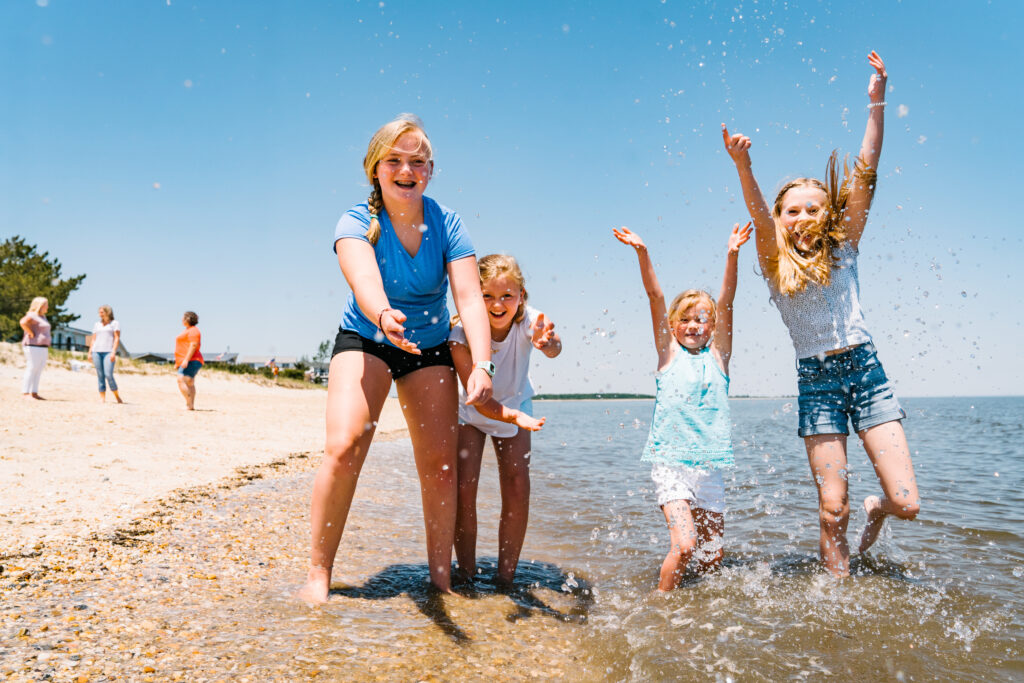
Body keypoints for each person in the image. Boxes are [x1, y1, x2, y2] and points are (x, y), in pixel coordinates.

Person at [722, 51, 920, 577]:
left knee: (907, 502)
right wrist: (743, 165)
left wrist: (876, 101)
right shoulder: (773, 262)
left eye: (814, 207)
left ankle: (881, 510)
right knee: (834, 508)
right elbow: (759, 215)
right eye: (794, 211)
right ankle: (839, 594)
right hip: (817, 382)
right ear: (783, 220)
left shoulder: (845, 246)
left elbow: (865, 170)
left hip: (867, 372)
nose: (805, 216)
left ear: (829, 213)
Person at [297, 114, 494, 604]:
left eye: (418, 162)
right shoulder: (357, 221)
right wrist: (385, 315)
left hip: (427, 346)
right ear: (375, 168)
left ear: (430, 170)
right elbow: (364, 281)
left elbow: (469, 299)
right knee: (344, 447)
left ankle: (440, 580)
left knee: (440, 467)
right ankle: (318, 574)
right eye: (395, 161)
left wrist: (483, 365)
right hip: (369, 336)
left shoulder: (448, 223)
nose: (407, 171)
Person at [614, 222, 751, 591]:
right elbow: (655, 296)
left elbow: (727, 300)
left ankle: (700, 614)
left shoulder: (719, 357)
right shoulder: (668, 354)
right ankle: (660, 607)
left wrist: (732, 255)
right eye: (686, 319)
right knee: (686, 544)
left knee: (712, 556)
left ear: (713, 325)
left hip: (710, 467)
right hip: (671, 463)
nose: (694, 325)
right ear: (673, 325)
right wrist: (643, 254)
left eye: (702, 319)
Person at [448, 254, 561, 588]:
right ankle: (466, 573)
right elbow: (481, 399)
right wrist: (510, 415)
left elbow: (554, 347)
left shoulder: (531, 321)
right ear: (473, 295)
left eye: (507, 296)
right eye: (488, 296)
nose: (498, 305)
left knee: (516, 487)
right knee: (464, 491)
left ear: (521, 296)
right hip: (472, 412)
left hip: (516, 407)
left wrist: (548, 343)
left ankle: (505, 578)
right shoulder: (460, 333)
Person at [88, 305, 123, 404]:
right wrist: (90, 352)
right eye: (99, 312)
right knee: (100, 375)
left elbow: (116, 338)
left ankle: (117, 396)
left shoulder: (115, 323)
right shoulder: (97, 324)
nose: (100, 314)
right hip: (96, 351)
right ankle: (102, 398)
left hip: (108, 352)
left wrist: (113, 352)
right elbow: (93, 339)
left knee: (108, 374)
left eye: (102, 312)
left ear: (108, 312)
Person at [19, 297, 51, 400]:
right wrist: (31, 333)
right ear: (40, 305)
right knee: (32, 368)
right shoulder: (32, 315)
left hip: (43, 347)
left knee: (39, 369)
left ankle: (34, 392)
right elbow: (23, 322)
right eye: (46, 304)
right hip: (33, 346)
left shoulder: (43, 317)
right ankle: (25, 393)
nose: (47, 307)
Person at [174, 311, 203, 410]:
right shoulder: (188, 330)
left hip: (192, 359)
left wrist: (186, 360)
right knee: (190, 382)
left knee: (181, 379)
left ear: (188, 319)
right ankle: (190, 405)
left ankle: (189, 403)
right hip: (188, 360)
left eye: (183, 318)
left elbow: (193, 345)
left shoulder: (194, 330)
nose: (181, 320)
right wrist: (178, 362)